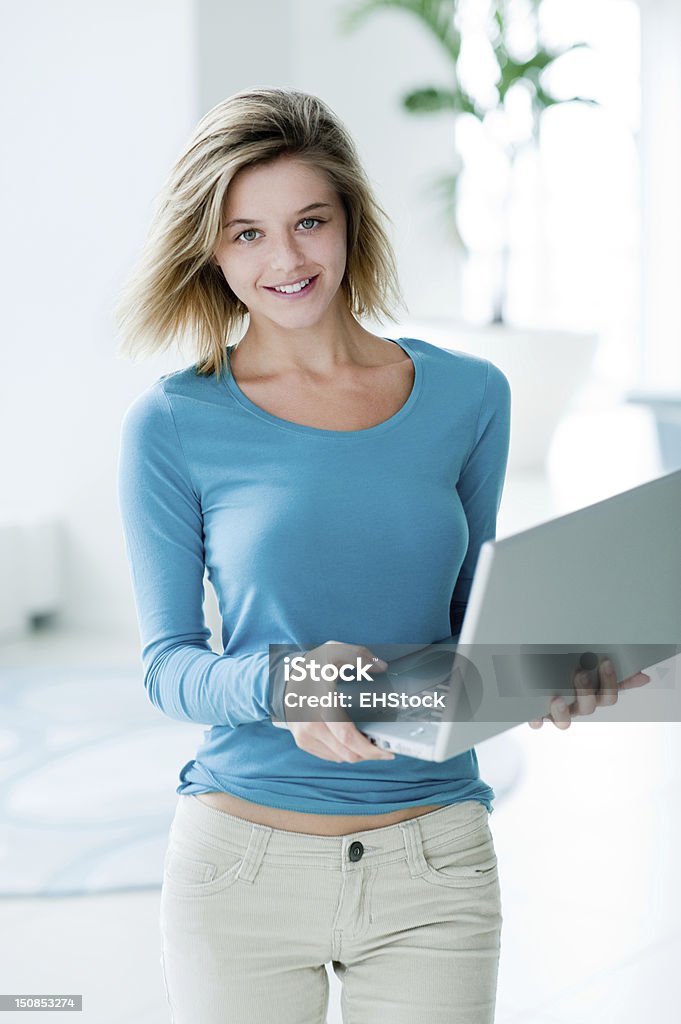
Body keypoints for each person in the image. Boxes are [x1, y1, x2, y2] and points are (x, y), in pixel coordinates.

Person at [115, 87, 649, 1024]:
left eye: (308, 222)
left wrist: (546, 673)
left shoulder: (468, 395)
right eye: (246, 233)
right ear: (208, 246)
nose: (284, 259)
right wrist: (284, 687)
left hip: (433, 863)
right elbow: (168, 670)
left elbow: (465, 630)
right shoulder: (172, 421)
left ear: (351, 222)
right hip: (241, 868)